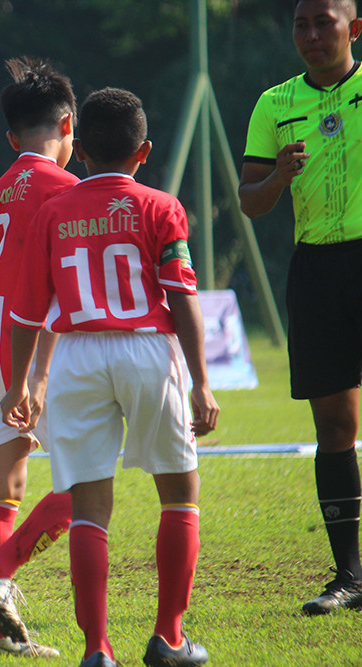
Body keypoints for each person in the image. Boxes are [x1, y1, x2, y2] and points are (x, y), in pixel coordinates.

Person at [0, 88, 219, 667]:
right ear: (143, 152)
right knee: (179, 490)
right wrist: (201, 380)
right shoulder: (160, 206)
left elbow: (25, 313)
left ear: (82, 148)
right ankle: (169, 637)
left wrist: (21, 382)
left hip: (75, 357)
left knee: (91, 508)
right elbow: (183, 297)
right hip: (147, 350)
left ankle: (97, 650)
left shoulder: (52, 211)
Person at [239, 0, 362, 616]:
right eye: (301, 24)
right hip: (317, 269)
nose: (311, 35)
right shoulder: (274, 105)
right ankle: (349, 577)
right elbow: (250, 201)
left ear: (354, 29)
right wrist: (279, 178)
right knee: (335, 426)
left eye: (325, 22)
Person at [0, 56, 78, 660]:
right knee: (87, 483)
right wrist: (37, 372)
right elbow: (57, 287)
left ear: (12, 138)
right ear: (68, 126)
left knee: (4, 483)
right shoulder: (69, 191)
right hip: (37, 345)